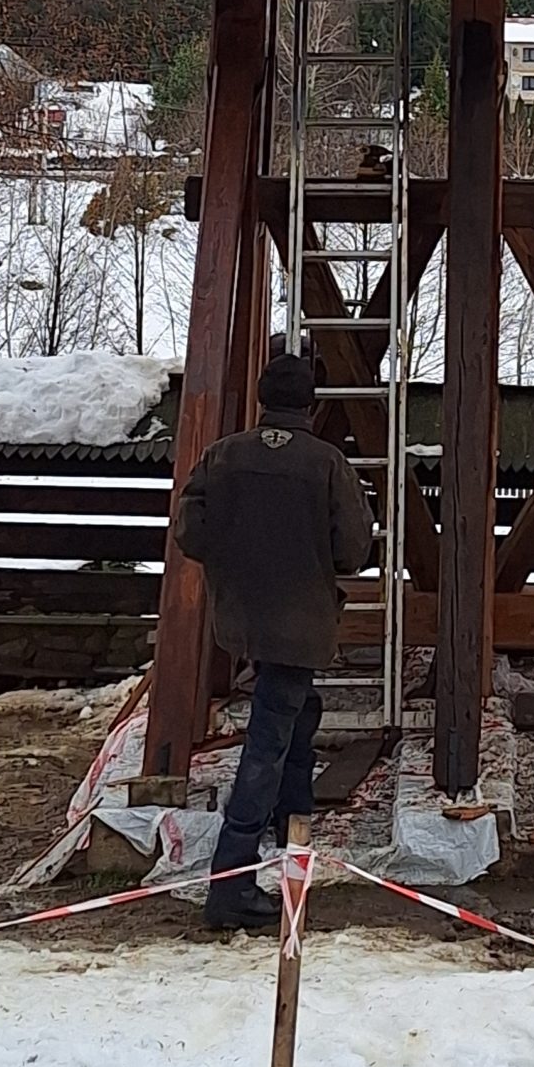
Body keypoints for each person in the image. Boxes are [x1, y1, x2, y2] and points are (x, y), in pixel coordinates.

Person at [172, 349, 375, 932]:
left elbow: (190, 533)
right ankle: (231, 883)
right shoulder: (327, 463)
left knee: (295, 718)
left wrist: (241, 557)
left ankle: (293, 837)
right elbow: (353, 551)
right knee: (267, 743)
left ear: (263, 398)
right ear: (310, 403)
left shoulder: (223, 455)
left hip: (242, 618)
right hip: (300, 623)